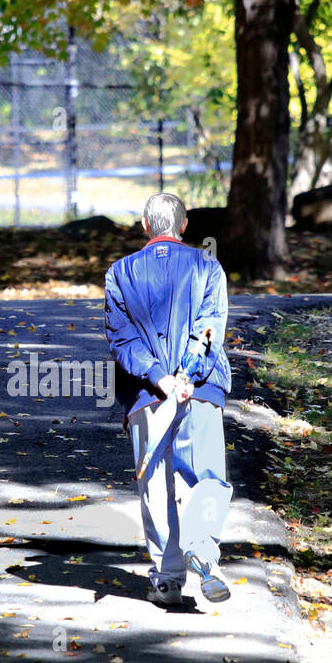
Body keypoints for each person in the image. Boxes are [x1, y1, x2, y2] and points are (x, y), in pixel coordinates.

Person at [104, 192, 233, 607]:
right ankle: (204, 552)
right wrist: (187, 374)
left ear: (145, 225)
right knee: (207, 475)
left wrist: (160, 378)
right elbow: (209, 328)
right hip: (201, 389)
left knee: (156, 485)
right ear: (184, 225)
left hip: (147, 395)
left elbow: (122, 341)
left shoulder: (119, 274)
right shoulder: (208, 267)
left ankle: (167, 581)